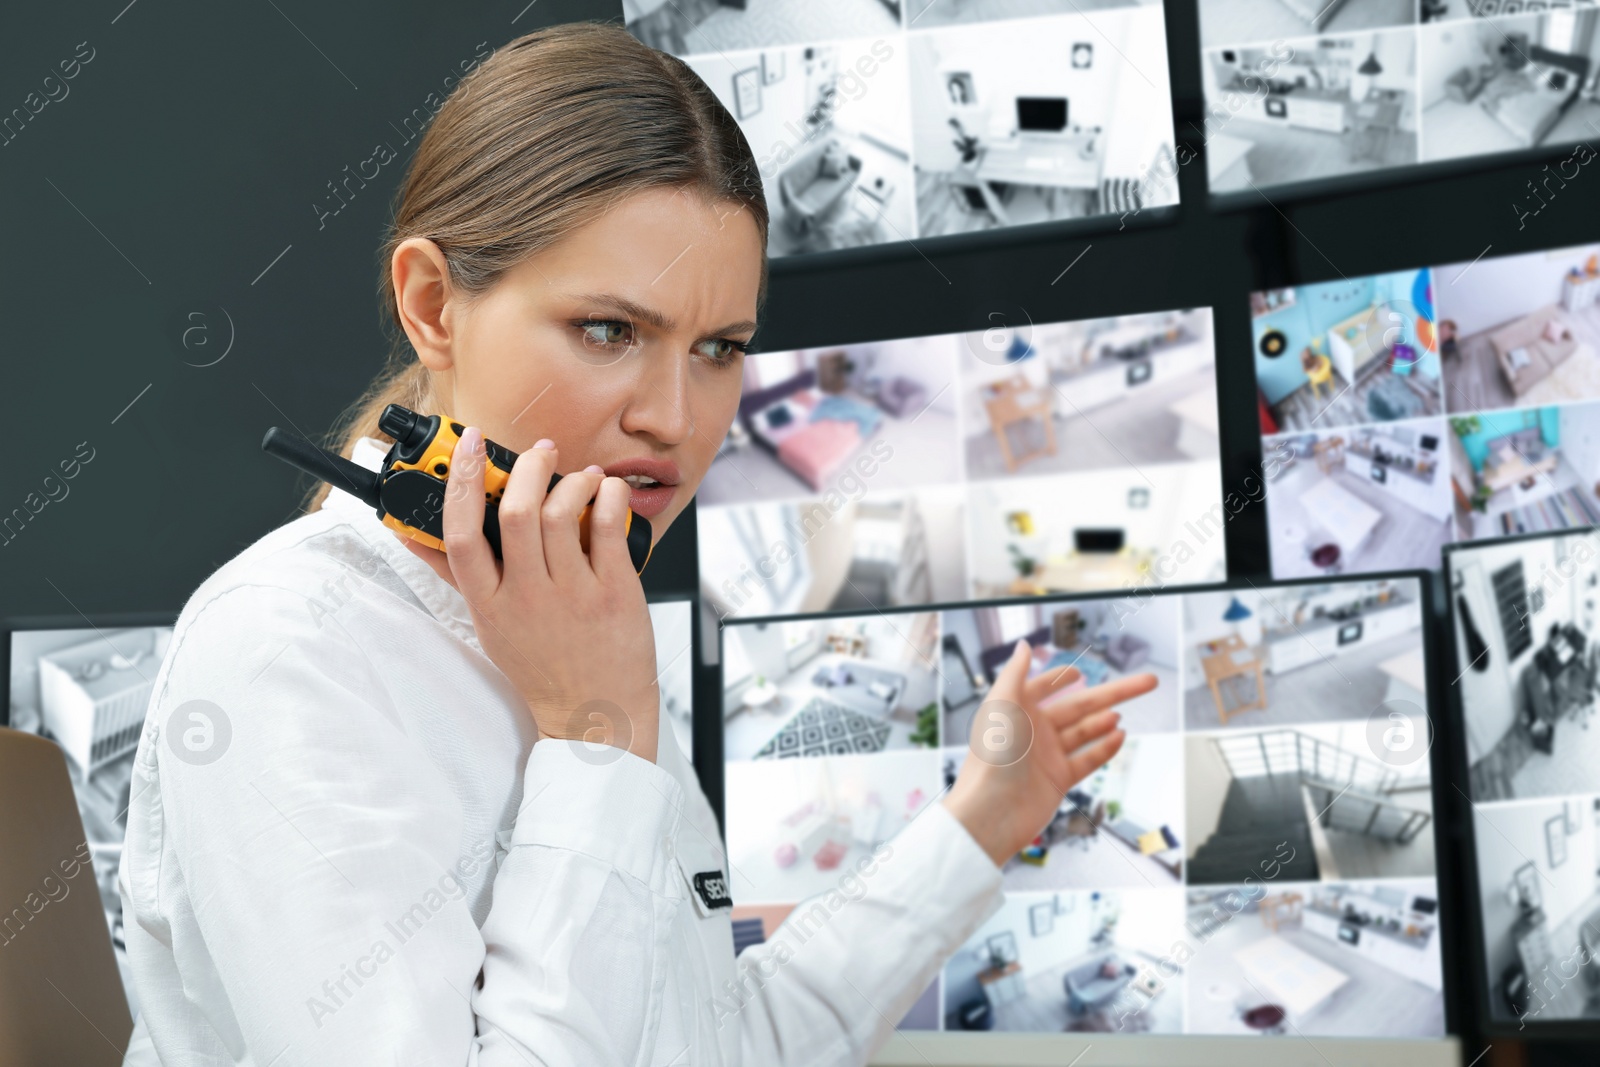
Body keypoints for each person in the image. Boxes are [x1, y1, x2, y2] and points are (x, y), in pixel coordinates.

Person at [118, 22, 1155, 1067]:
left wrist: (981, 818)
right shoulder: (288, 651)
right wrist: (595, 742)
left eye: (718, 348)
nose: (673, 415)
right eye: (610, 331)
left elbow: (717, 1039)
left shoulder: (581, 618)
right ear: (435, 307)